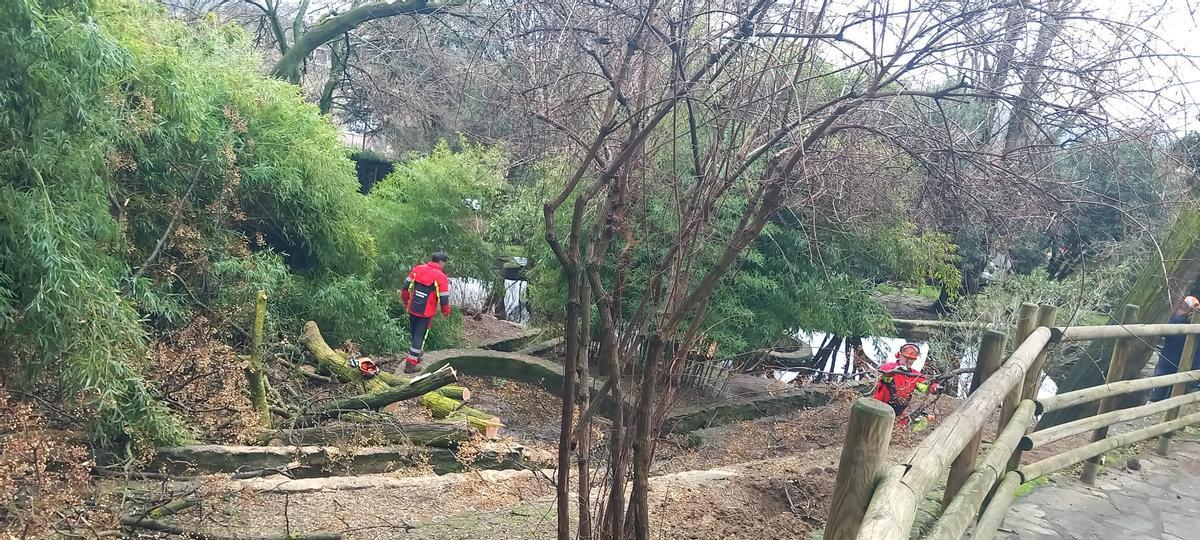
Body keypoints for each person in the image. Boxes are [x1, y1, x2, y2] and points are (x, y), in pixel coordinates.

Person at [401, 252, 452, 373]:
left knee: (414, 333)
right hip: (426, 312)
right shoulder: (440, 276)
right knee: (420, 335)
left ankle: (416, 353)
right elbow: (444, 297)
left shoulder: (418, 269)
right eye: (444, 263)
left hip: (413, 308)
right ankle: (411, 364)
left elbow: (406, 286)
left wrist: (405, 300)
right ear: (441, 262)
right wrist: (446, 311)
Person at [1148, 295, 1200, 402]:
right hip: (1183, 366)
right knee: (1170, 395)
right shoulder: (1180, 321)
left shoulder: (1176, 320)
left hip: (1171, 365)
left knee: (1158, 395)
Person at [872, 343, 938, 425]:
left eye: (912, 359)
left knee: (920, 423)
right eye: (907, 357)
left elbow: (925, 386)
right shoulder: (888, 368)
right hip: (879, 410)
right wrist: (895, 370)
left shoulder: (915, 375)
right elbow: (884, 375)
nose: (909, 361)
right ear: (899, 355)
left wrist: (934, 386)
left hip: (898, 414)